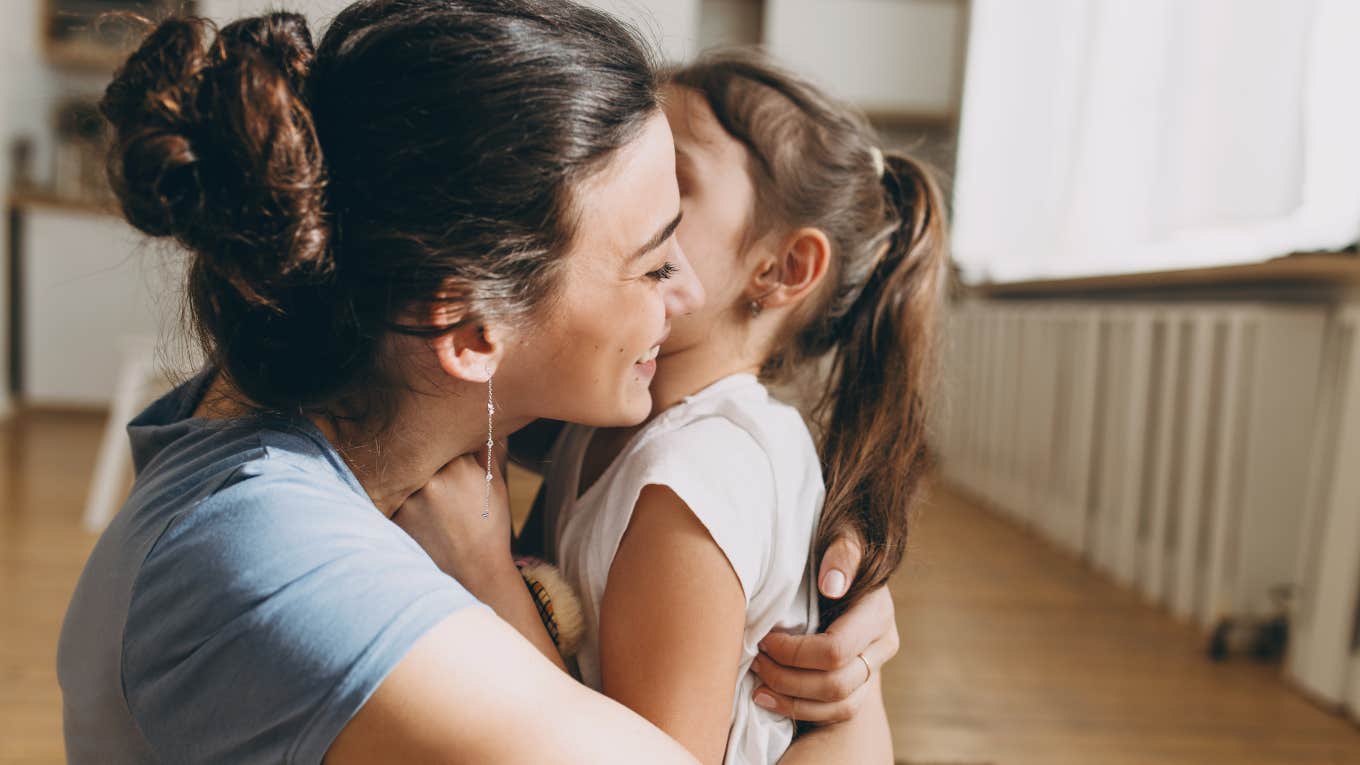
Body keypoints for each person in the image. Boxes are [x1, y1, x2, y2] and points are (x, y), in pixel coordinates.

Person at [56, 3, 896, 762]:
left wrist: (817, 608)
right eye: (651, 264)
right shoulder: (273, 559)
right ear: (470, 332)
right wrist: (849, 714)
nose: (687, 295)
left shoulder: (318, 384)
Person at [512, 49, 947, 764]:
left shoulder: (698, 473)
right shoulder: (614, 412)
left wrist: (480, 574)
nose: (623, 200)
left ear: (782, 269)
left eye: (673, 180)